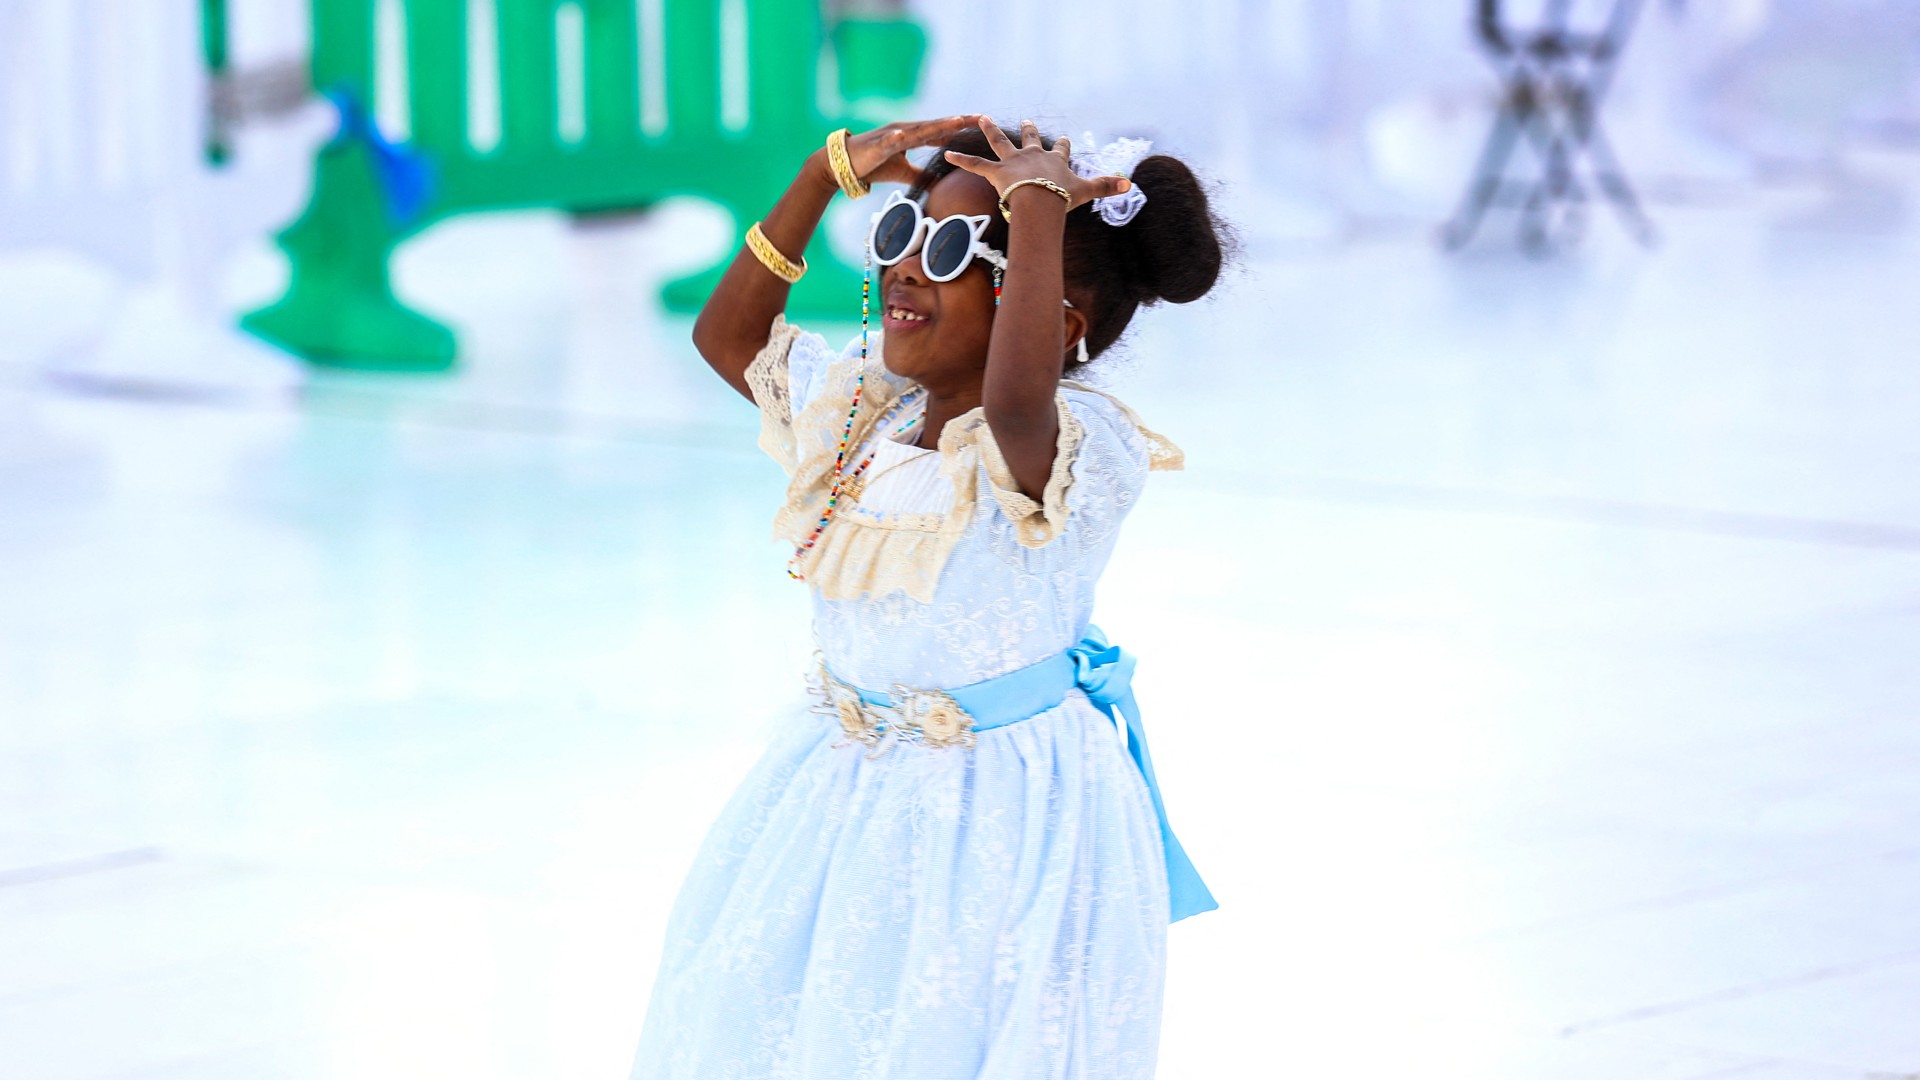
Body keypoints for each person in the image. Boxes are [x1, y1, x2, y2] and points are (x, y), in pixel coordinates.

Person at [628, 115, 1228, 1080]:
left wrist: (1036, 209)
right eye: (904, 234)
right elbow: (728, 336)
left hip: (999, 812)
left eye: (952, 251)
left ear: (1058, 323)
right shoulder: (868, 413)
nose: (906, 268)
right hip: (841, 784)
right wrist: (822, 177)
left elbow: (1018, 406)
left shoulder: (1072, 448)